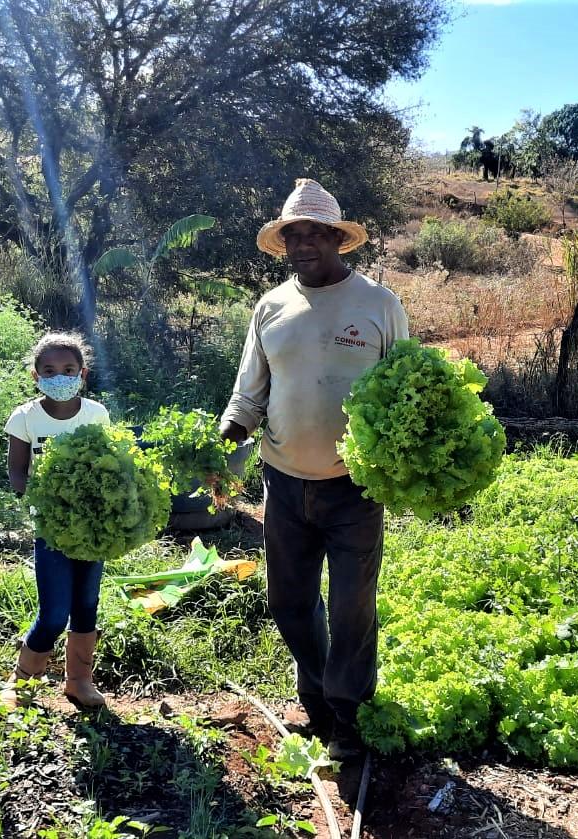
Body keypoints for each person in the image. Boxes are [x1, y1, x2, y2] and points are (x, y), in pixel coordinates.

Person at [220, 179, 409, 760]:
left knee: (352, 604)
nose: (301, 243)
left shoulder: (379, 304)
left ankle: (349, 718)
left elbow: (407, 391)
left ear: (336, 238)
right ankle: (317, 702)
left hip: (355, 487)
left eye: (313, 233)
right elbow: (250, 390)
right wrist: (223, 443)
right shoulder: (271, 306)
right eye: (291, 234)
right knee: (290, 600)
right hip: (282, 481)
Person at [0, 332, 111, 711]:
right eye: (49, 370)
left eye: (67, 370)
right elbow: (17, 472)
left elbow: (109, 466)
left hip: (93, 529)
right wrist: (40, 496)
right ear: (36, 375)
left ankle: (79, 682)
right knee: (53, 613)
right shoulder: (25, 417)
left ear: (82, 374)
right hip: (51, 529)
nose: (58, 376)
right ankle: (22, 682)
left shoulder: (96, 414)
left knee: (86, 606)